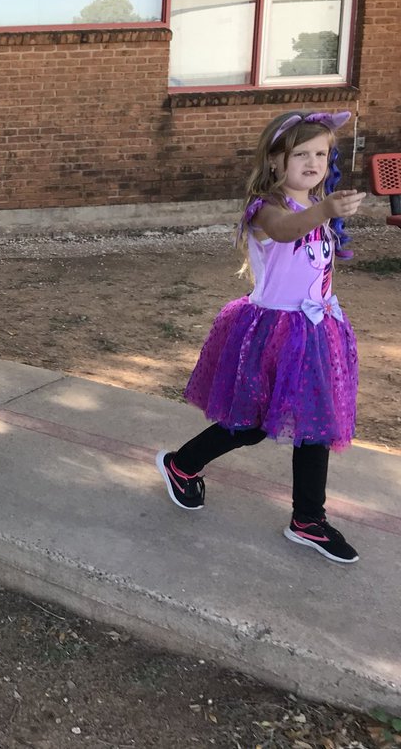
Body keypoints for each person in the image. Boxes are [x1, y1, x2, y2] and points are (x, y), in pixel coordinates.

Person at [155, 110, 367, 563]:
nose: (313, 162)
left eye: (321, 154)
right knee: (248, 424)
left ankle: (307, 519)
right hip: (273, 331)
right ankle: (182, 464)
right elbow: (285, 232)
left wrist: (325, 211)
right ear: (274, 161)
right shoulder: (266, 210)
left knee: (316, 425)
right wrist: (325, 209)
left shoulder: (316, 206)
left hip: (316, 330)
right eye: (301, 154)